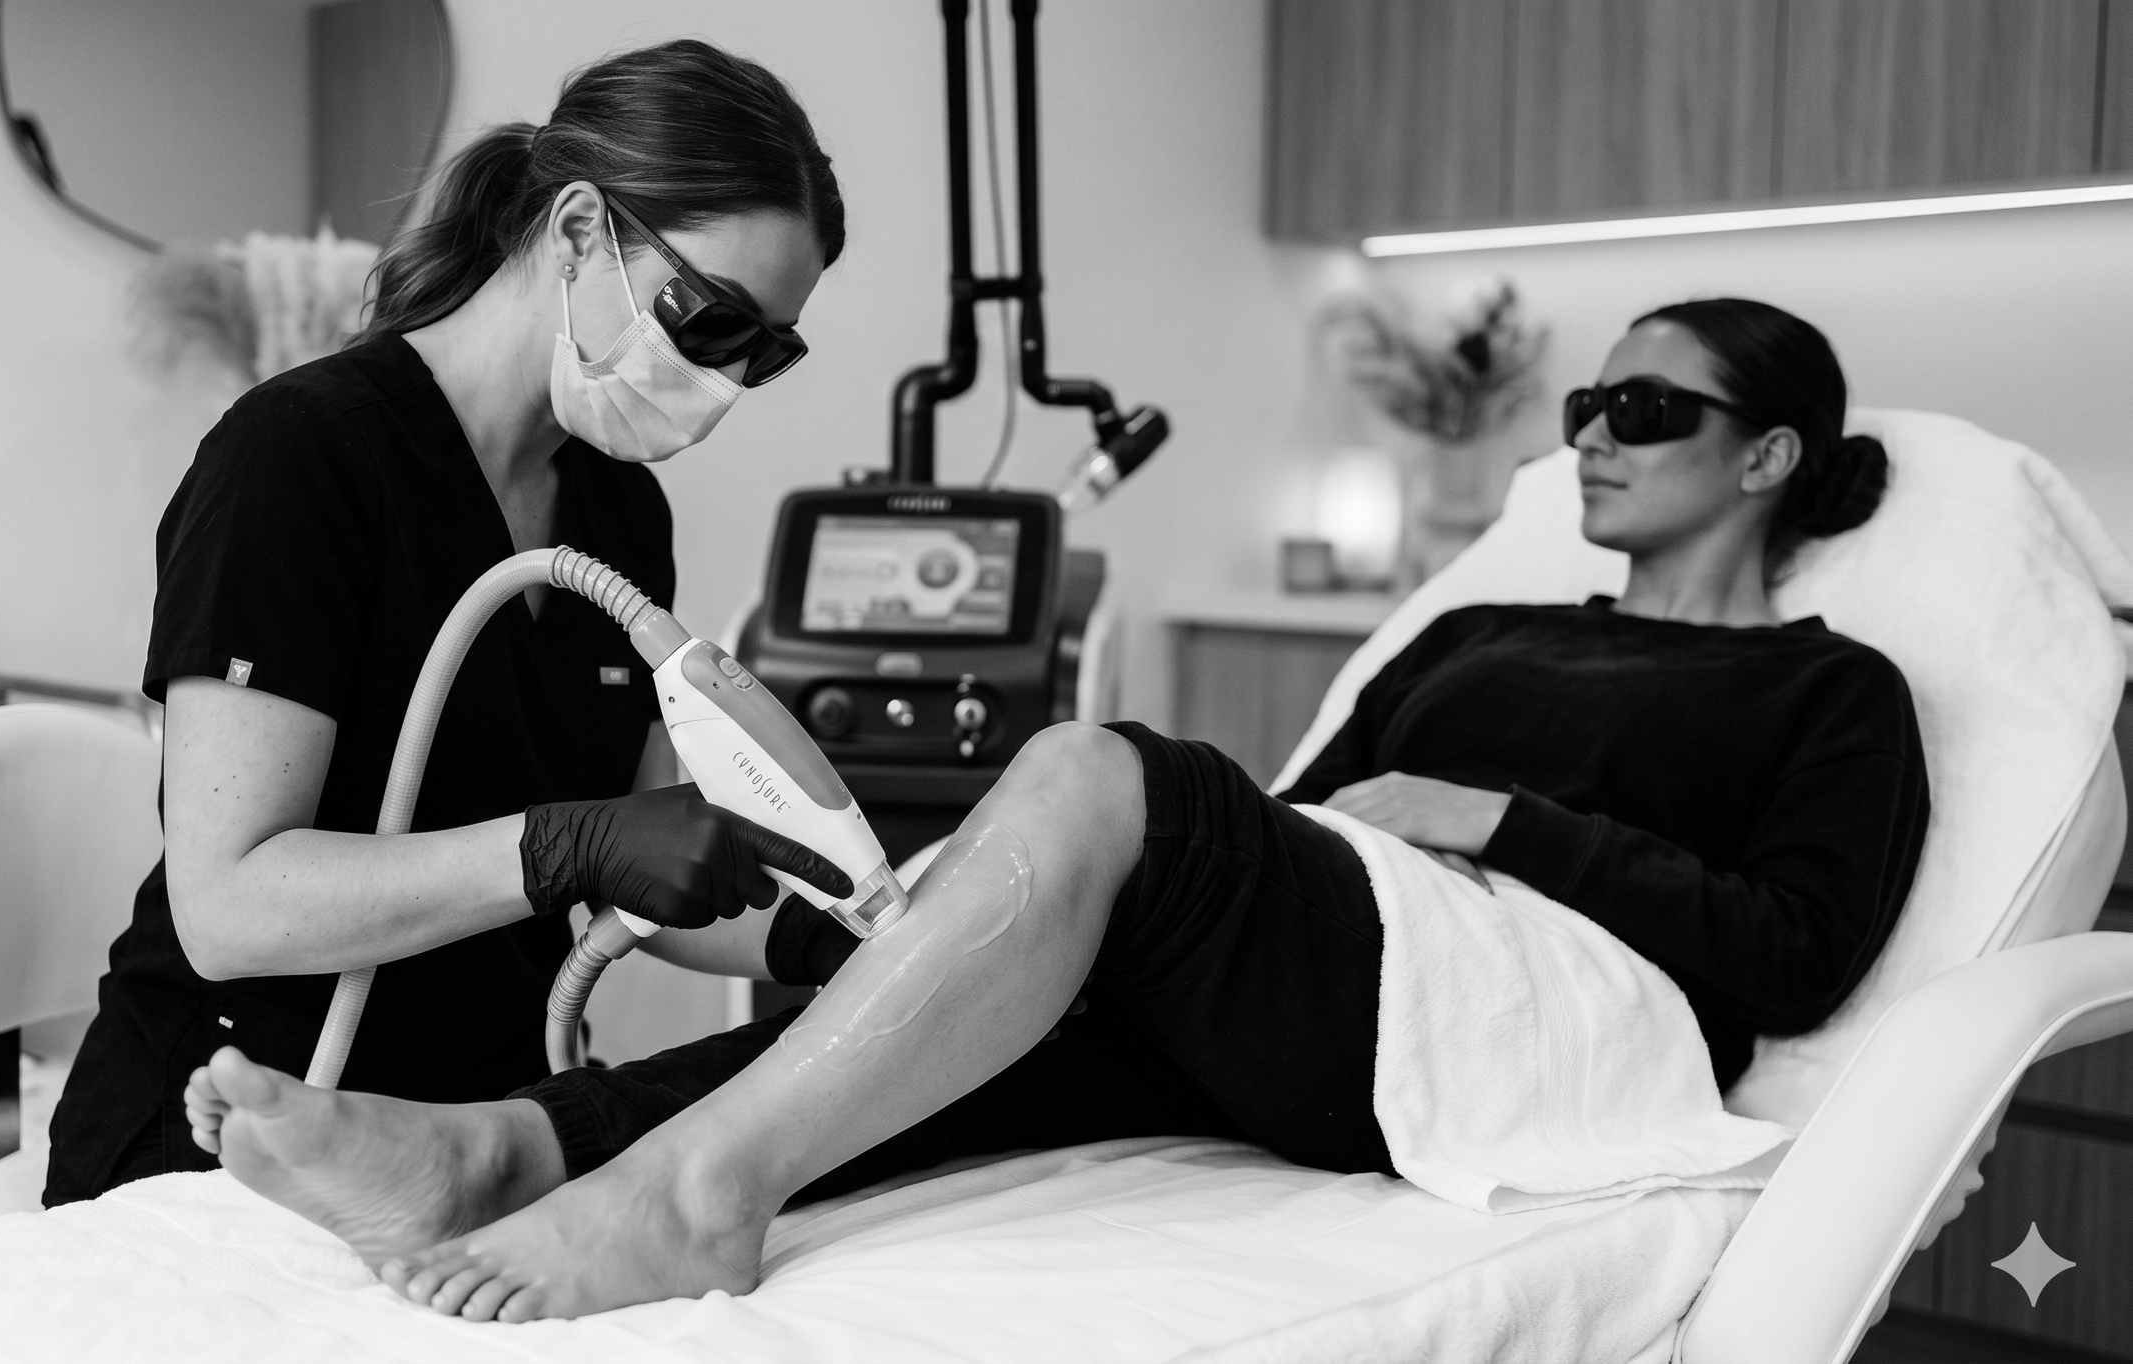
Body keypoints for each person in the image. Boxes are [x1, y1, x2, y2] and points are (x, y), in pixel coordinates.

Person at [177, 297, 1931, 1322]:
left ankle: (699, 1187)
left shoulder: (1831, 689)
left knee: (1101, 769)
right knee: (984, 968)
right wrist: (1023, 889)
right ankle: (510, 1146)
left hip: (1543, 1010)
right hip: (1358, 975)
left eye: (1644, 408)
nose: (1594, 434)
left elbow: (1793, 955)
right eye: (1587, 405)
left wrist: (1493, 814)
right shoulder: (1478, 629)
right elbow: (1305, 837)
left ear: (1769, 454)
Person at [43, 39, 855, 1205]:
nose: (723, 382)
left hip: (491, 1130)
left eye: (763, 353)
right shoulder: (300, 460)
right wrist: (559, 845)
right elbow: (226, 907)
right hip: (238, 1129)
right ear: (579, 229)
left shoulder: (619, 512)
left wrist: (817, 933)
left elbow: (645, 872)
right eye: (714, 320)